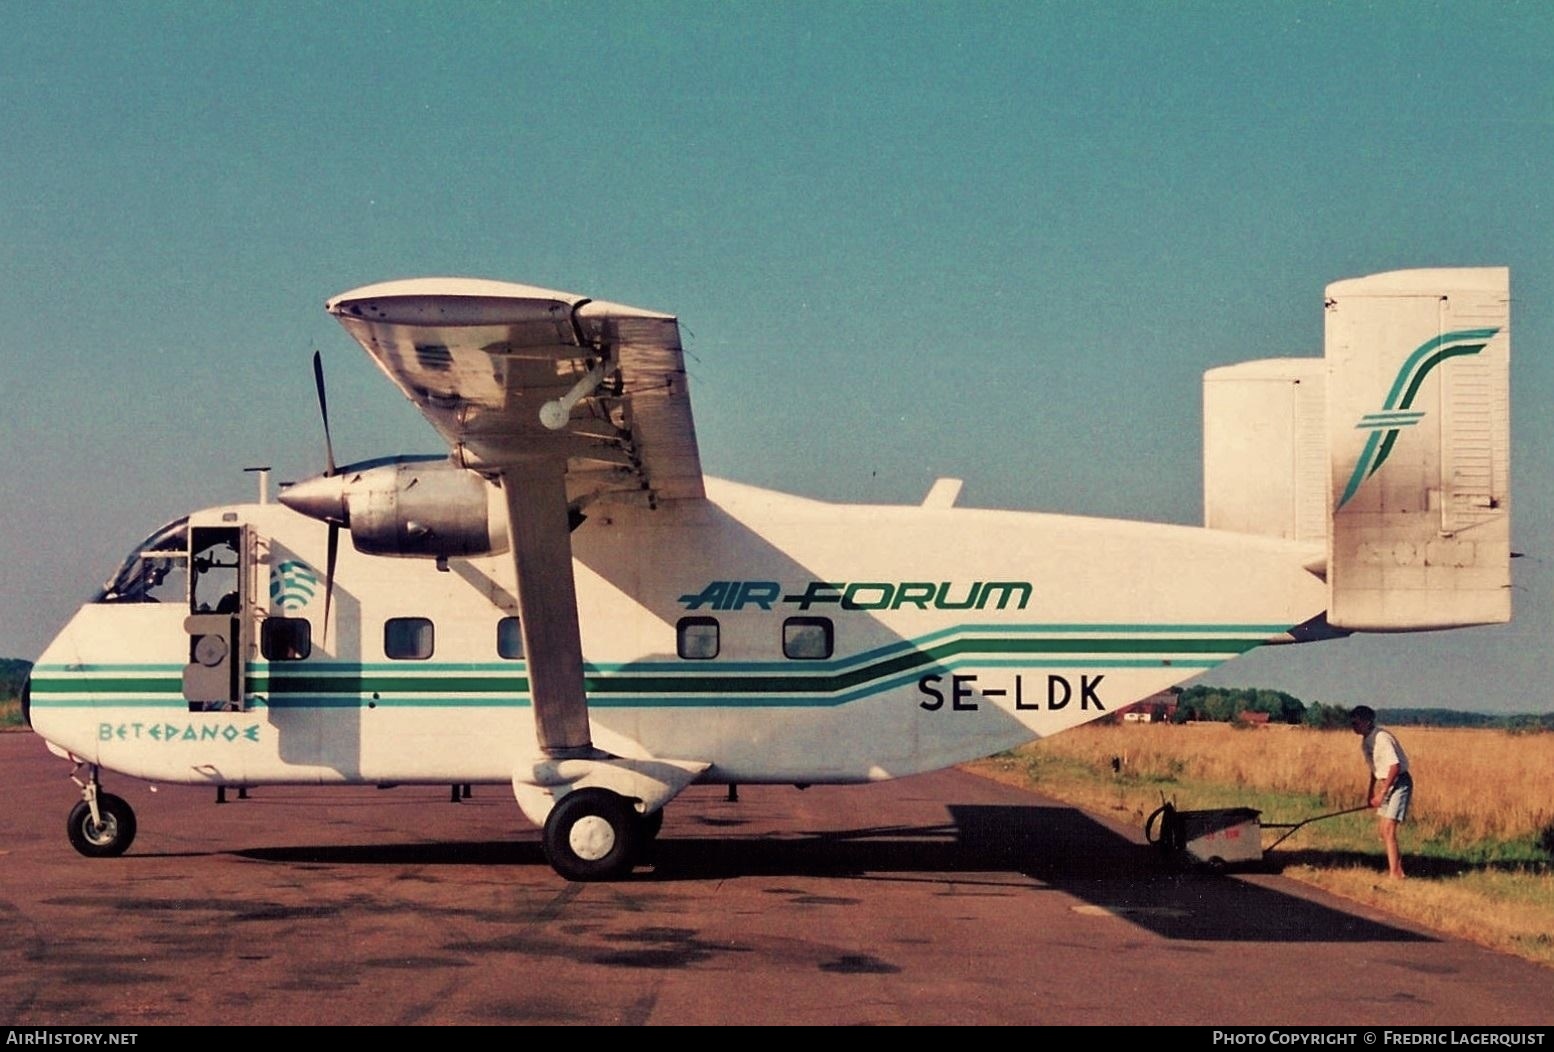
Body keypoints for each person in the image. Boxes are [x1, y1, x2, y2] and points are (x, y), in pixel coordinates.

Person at [1350, 705, 1411, 879]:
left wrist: (1382, 793)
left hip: (1399, 783)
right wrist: (1370, 793)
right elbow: (1375, 769)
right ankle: (1398, 869)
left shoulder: (1382, 738)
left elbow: (1395, 766)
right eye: (1352, 722)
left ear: (1367, 721)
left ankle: (1395, 874)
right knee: (1383, 830)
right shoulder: (1365, 742)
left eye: (1357, 722)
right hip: (1386, 784)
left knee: (1389, 829)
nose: (1353, 726)